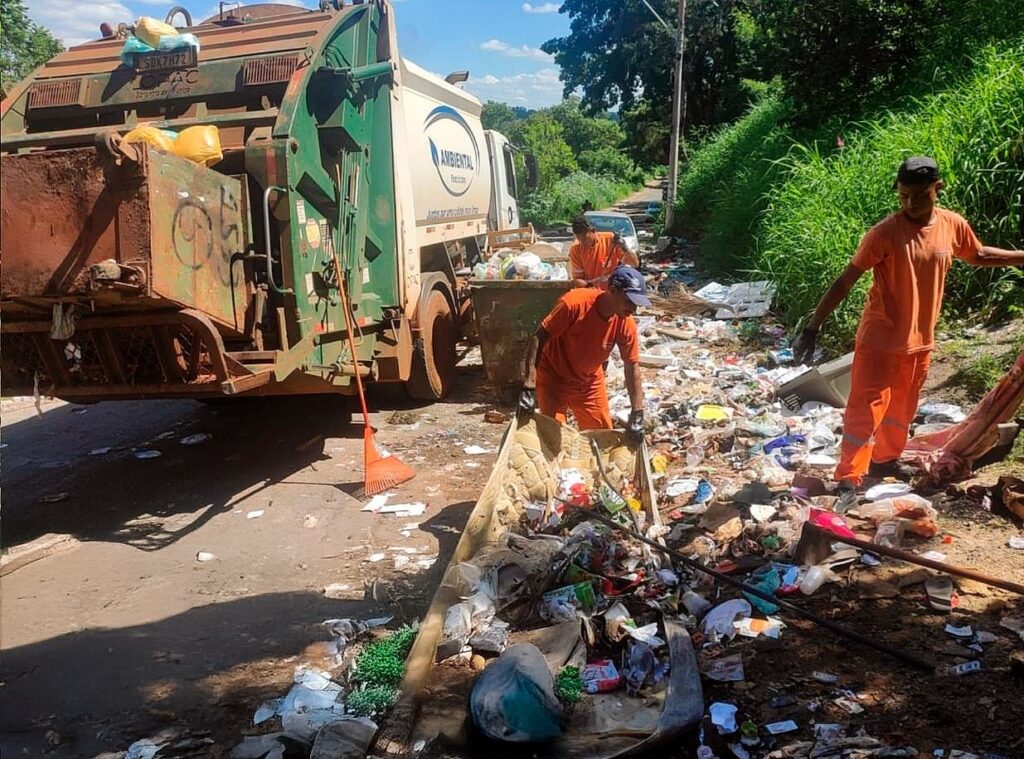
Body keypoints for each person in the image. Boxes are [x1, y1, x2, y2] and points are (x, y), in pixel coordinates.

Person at [792, 156, 1024, 500]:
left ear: (937, 189)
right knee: (864, 411)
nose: (911, 204)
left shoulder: (951, 225)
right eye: (903, 197)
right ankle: (850, 476)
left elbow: (978, 255)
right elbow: (845, 281)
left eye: (919, 195)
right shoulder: (884, 234)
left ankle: (884, 462)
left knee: (902, 410)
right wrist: (812, 328)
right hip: (880, 340)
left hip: (920, 342)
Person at [518, 266, 650, 441]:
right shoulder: (574, 304)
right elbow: (538, 338)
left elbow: (631, 366)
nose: (633, 309)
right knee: (553, 439)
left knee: (603, 438)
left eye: (636, 304)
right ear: (612, 290)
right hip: (554, 379)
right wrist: (529, 386)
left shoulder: (625, 322)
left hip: (589, 383)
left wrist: (637, 413)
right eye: (629, 301)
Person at [569, 216, 639, 289]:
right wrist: (590, 287)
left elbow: (634, 264)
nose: (582, 242)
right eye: (579, 239)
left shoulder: (611, 240)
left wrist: (624, 247)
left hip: (611, 291)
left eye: (585, 238)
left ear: (593, 231)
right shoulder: (575, 249)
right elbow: (577, 280)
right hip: (589, 292)